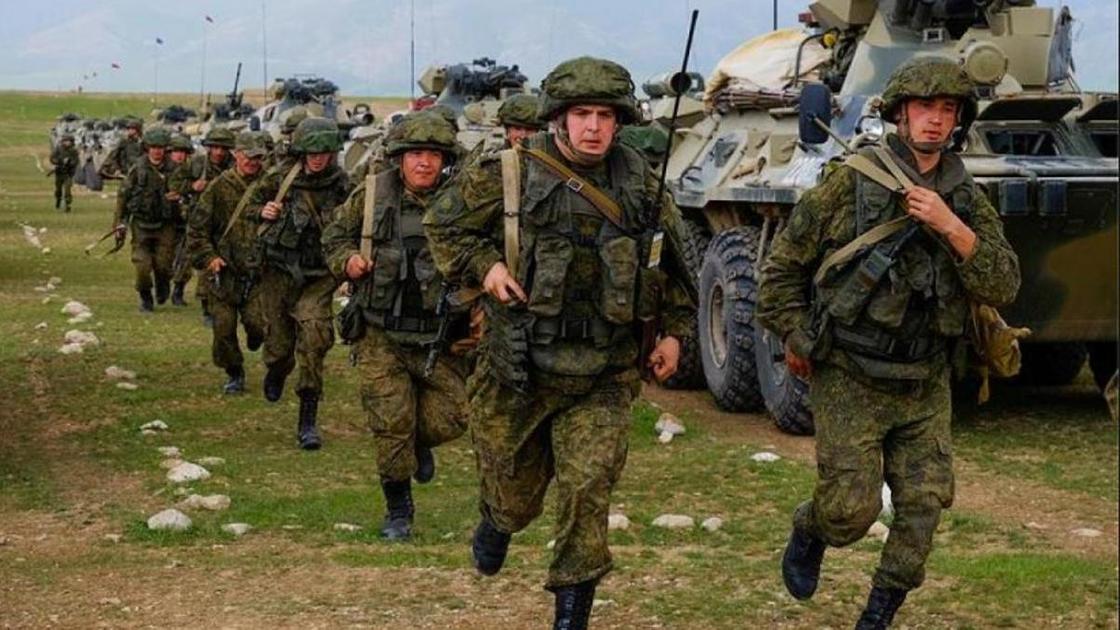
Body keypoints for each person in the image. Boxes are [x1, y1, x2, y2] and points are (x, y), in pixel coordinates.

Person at [424, 56, 696, 630]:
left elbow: (672, 264)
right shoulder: (508, 172)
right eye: (581, 114)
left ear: (620, 121)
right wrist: (487, 266)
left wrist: (674, 333)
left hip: (603, 371)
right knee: (515, 496)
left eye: (605, 115)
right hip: (519, 367)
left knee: (587, 489)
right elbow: (444, 226)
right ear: (559, 118)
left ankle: (571, 613)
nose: (593, 127)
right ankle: (498, 519)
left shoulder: (643, 183)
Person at [756, 56, 1020, 629]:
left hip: (926, 378)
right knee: (849, 511)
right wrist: (798, 336)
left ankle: (877, 617)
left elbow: (1004, 283)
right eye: (924, 107)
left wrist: (951, 226)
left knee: (924, 505)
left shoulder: (963, 195)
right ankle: (811, 528)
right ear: (900, 113)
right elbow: (779, 274)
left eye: (947, 109)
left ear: (959, 120)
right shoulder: (850, 182)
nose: (935, 119)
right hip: (851, 372)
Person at [322, 112, 468, 540]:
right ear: (400, 158)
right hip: (380, 333)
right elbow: (334, 237)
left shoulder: (462, 200)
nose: (425, 162)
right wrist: (347, 260)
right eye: (416, 154)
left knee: (457, 414)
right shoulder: (372, 195)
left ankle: (415, 442)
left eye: (434, 155)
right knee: (390, 422)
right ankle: (398, 510)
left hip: (439, 335)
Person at [243, 117, 351, 449]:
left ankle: (308, 418)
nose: (318, 159)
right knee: (278, 348)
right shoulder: (280, 178)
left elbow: (360, 222)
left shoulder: (343, 185)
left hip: (319, 277)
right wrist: (263, 211)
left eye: (324, 152)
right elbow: (247, 207)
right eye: (312, 152)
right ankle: (276, 370)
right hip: (279, 273)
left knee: (315, 340)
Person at [187, 131, 270, 395]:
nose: (253, 162)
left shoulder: (271, 185)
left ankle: (256, 337)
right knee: (223, 328)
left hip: (259, 273)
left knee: (259, 324)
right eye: (248, 156)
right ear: (236, 155)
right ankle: (234, 371)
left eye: (258, 157)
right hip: (224, 272)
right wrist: (210, 258)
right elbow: (197, 230)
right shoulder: (218, 188)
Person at [112, 127, 179, 312]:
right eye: (153, 147)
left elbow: (186, 191)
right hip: (141, 224)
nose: (157, 151)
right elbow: (123, 196)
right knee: (142, 266)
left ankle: (163, 285)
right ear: (147, 148)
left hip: (166, 225)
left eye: (160, 147)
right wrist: (119, 223)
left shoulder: (175, 169)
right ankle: (145, 295)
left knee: (164, 264)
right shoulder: (137, 168)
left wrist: (179, 195)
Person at [169, 127, 236, 310]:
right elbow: (174, 182)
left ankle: (208, 302)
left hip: (226, 220)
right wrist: (192, 186)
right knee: (189, 255)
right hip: (199, 218)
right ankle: (179, 287)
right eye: (215, 147)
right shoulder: (197, 163)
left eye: (223, 148)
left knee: (215, 259)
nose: (219, 152)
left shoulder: (235, 166)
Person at [49, 134, 80, 212]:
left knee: (67, 189)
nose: (67, 143)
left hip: (68, 174)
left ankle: (67, 204)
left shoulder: (74, 151)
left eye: (68, 141)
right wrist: (60, 161)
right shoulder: (58, 149)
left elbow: (76, 161)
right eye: (65, 141)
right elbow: (52, 158)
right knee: (58, 189)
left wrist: (69, 162)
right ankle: (58, 200)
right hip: (59, 173)